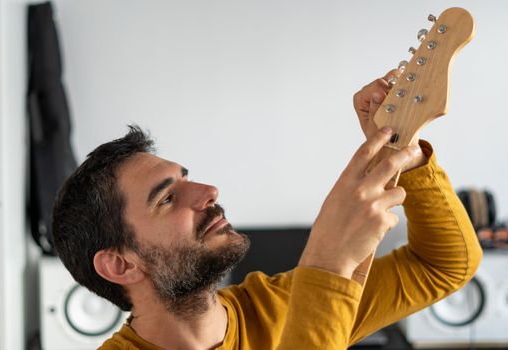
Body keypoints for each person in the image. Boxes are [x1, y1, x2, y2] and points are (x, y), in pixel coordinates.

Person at [52, 71, 482, 350]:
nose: (207, 191)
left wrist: (405, 154)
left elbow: (444, 265)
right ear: (119, 263)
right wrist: (327, 266)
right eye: (167, 198)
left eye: (187, 178)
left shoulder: (276, 306)